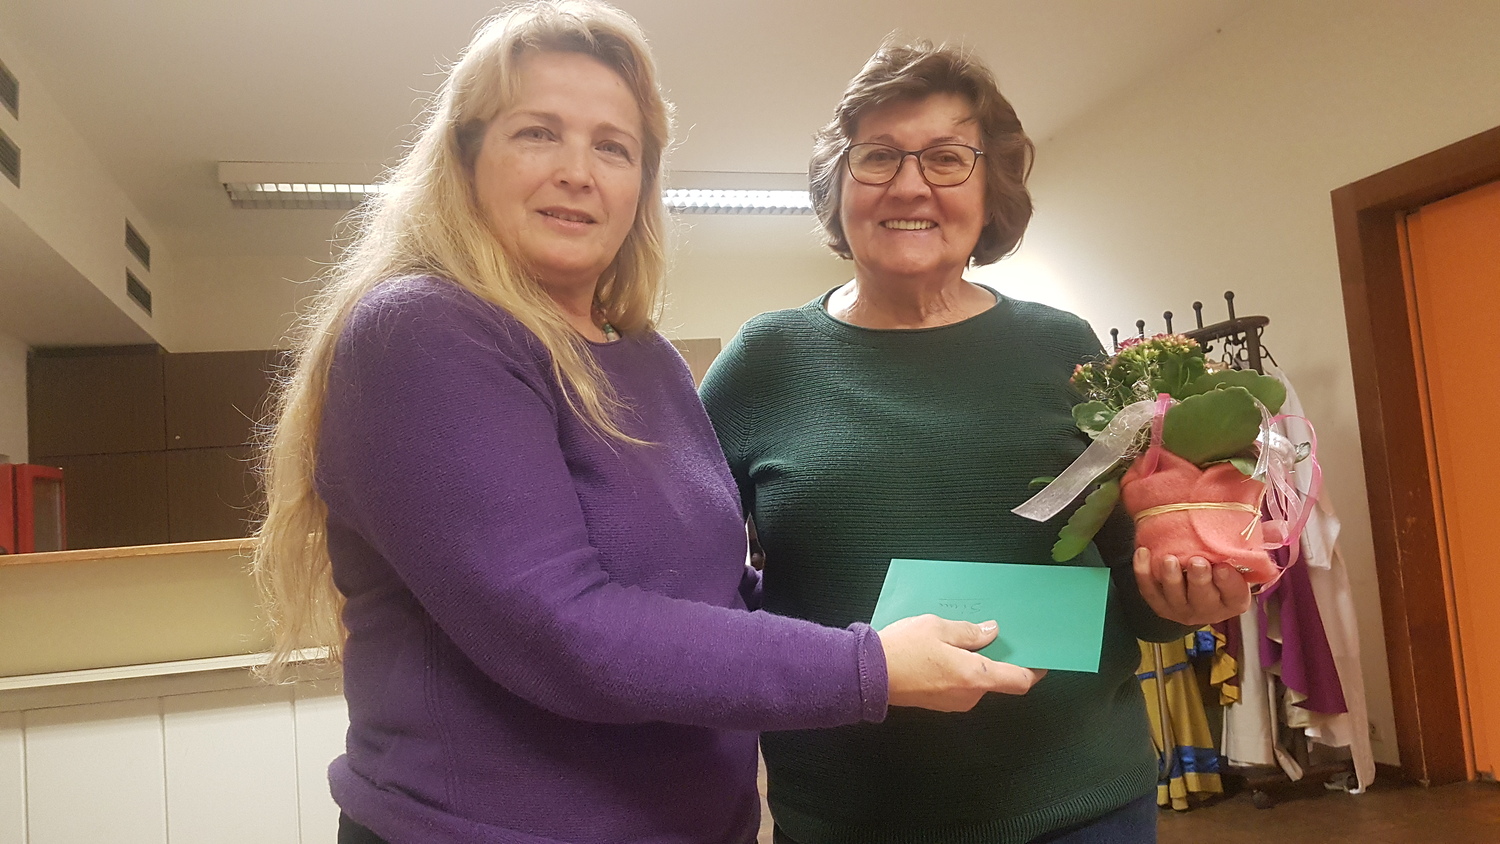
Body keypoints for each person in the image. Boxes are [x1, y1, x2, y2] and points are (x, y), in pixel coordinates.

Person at [252, 5, 1046, 844]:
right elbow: (561, 629)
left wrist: (910, 632)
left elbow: (716, 591)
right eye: (537, 133)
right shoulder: (426, 331)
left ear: (640, 184)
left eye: (613, 147)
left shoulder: (646, 357)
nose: (577, 172)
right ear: (465, 155)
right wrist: (868, 665)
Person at [699, 41, 1252, 844]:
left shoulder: (1063, 350)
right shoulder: (764, 362)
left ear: (992, 191)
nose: (910, 185)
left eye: (947, 158)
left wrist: (1184, 597)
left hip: (1081, 807)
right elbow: (692, 587)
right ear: (836, 185)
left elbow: (1132, 579)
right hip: (851, 820)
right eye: (877, 156)